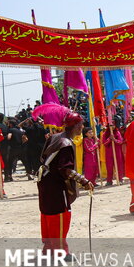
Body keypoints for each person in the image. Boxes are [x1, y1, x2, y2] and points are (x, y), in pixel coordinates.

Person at [34, 104, 93, 258]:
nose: (82, 127)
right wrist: (84, 180)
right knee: (59, 217)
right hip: (56, 184)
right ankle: (60, 251)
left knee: (47, 214)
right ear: (77, 126)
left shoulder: (54, 137)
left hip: (45, 181)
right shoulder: (66, 143)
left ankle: (48, 249)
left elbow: (42, 158)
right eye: (81, 125)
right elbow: (65, 169)